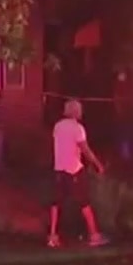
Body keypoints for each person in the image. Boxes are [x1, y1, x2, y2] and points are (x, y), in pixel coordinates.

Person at [47, 99, 109, 248]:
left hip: (59, 169)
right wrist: (98, 165)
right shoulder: (78, 128)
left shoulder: (58, 126)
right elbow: (85, 149)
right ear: (76, 111)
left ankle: (53, 236)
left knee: (56, 203)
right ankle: (94, 235)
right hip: (74, 169)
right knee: (84, 202)